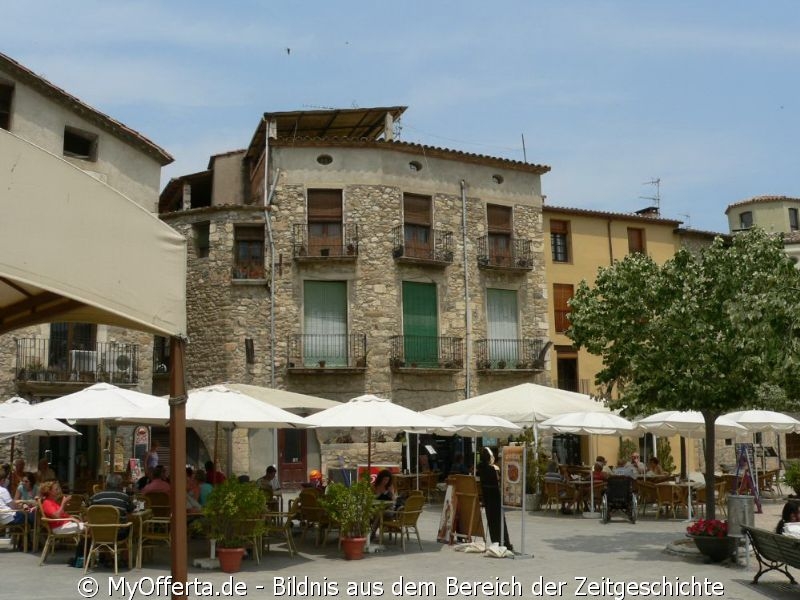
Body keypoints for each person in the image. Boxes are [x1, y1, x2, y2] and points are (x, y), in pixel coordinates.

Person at [39, 480, 85, 566]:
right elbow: (56, 516)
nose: (59, 491)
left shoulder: (53, 502)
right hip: (59, 528)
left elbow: (65, 515)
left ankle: (82, 556)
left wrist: (77, 520)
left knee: (88, 527)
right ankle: (82, 557)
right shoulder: (47, 503)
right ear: (49, 491)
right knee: (89, 529)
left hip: (64, 525)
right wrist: (63, 504)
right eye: (56, 489)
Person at [477, 447, 513, 551]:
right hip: (495, 497)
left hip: (487, 498)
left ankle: (495, 540)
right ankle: (505, 542)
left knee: (491, 520)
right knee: (500, 520)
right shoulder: (493, 469)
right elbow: (499, 481)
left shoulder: (480, 468)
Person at [89, 473, 133, 540]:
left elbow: (88, 511)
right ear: (120, 484)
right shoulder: (124, 497)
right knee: (131, 525)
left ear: (106, 483)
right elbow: (131, 511)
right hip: (118, 534)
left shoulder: (96, 497)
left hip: (97, 532)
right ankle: (124, 549)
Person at [371, 469, 397, 541]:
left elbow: (393, 500)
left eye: (387, 480)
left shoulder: (389, 486)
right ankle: (367, 533)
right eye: (384, 479)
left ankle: (372, 534)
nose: (386, 481)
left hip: (389, 510)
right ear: (380, 478)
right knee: (373, 513)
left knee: (379, 513)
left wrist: (389, 492)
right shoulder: (375, 486)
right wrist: (377, 495)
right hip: (377, 507)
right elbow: (370, 498)